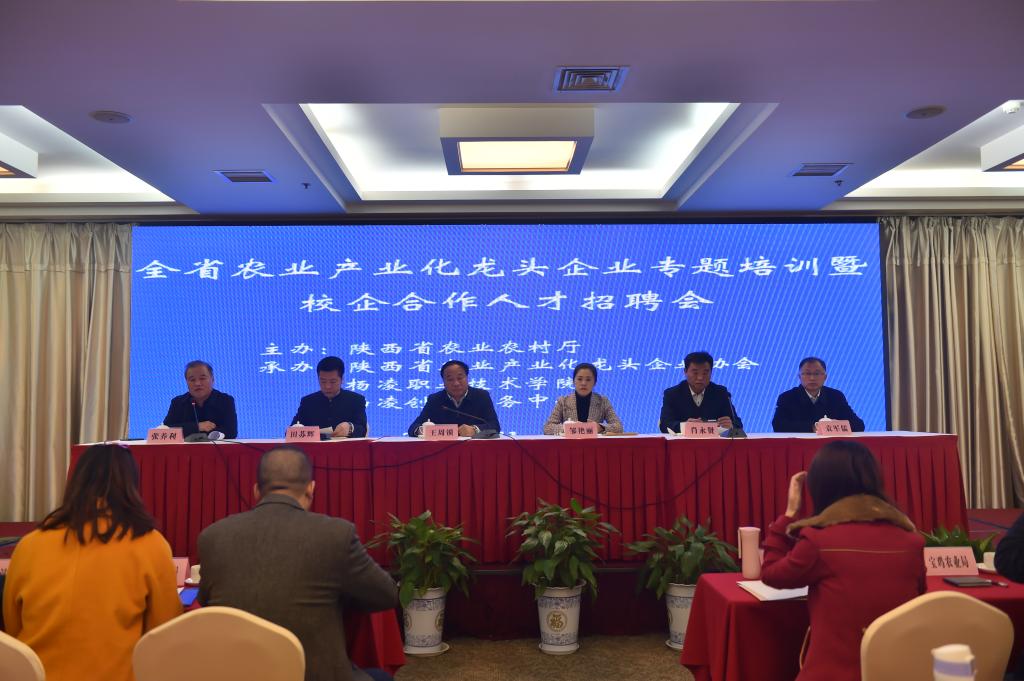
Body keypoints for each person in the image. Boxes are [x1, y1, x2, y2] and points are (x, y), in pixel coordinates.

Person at [197, 446, 397, 681]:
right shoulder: (335, 535)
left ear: (256, 491)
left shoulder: (212, 537)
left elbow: (206, 602)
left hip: (237, 673)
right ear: (311, 489)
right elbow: (386, 595)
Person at [1, 443, 181, 681]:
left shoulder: (30, 544)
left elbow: (12, 625)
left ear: (75, 482)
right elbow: (164, 633)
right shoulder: (150, 543)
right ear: (131, 485)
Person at [761, 440, 925, 681]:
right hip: (896, 672)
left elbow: (771, 574)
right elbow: (919, 595)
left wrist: (789, 514)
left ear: (820, 486)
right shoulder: (911, 541)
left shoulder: (819, 540)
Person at [407, 360, 500, 437]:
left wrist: (474, 429)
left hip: (474, 449)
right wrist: (424, 431)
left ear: (467, 378)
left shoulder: (481, 396)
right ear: (443, 382)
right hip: (443, 449)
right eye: (450, 379)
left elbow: (495, 426)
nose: (456, 383)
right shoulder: (435, 400)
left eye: (460, 378)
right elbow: (413, 428)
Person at [772, 357, 865, 433]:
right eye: (807, 373)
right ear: (799, 377)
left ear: (825, 377)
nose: (812, 378)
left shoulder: (836, 396)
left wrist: (834, 426)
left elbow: (859, 425)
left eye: (817, 373)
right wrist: (814, 427)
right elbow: (778, 426)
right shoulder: (787, 397)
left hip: (831, 447)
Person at [658, 351, 741, 433]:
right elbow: (664, 425)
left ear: (711, 372)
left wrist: (731, 426)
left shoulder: (721, 393)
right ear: (685, 372)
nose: (700, 377)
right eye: (695, 373)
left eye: (705, 373)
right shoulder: (672, 394)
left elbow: (738, 424)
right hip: (683, 441)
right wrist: (684, 426)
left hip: (713, 441)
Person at [292, 356, 368, 438]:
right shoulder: (307, 402)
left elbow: (363, 430)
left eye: (333, 381)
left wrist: (350, 428)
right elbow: (290, 431)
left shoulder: (356, 400)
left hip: (346, 445)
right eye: (323, 381)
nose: (327, 386)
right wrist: (296, 429)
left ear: (342, 379)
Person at [163, 359, 238, 438]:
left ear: (212, 380)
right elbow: (166, 431)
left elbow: (231, 432)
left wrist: (187, 431)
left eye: (202, 378)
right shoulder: (178, 402)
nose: (197, 383)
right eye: (192, 380)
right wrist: (197, 427)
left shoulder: (225, 401)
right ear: (187, 382)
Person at [543, 362, 623, 435]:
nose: (583, 383)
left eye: (588, 379)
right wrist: (566, 428)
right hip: (569, 444)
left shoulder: (603, 401)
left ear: (595, 382)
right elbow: (548, 427)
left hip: (594, 444)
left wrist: (600, 427)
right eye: (579, 379)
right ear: (573, 381)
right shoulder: (563, 401)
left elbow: (619, 427)